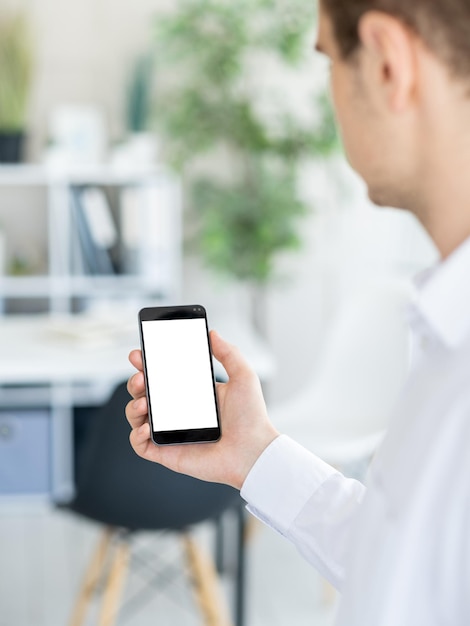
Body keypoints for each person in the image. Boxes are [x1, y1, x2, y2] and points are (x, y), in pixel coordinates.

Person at [126, 0, 470, 623]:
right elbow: (404, 564)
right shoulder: (445, 331)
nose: (332, 97)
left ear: (388, 64)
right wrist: (256, 456)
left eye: (330, 62)